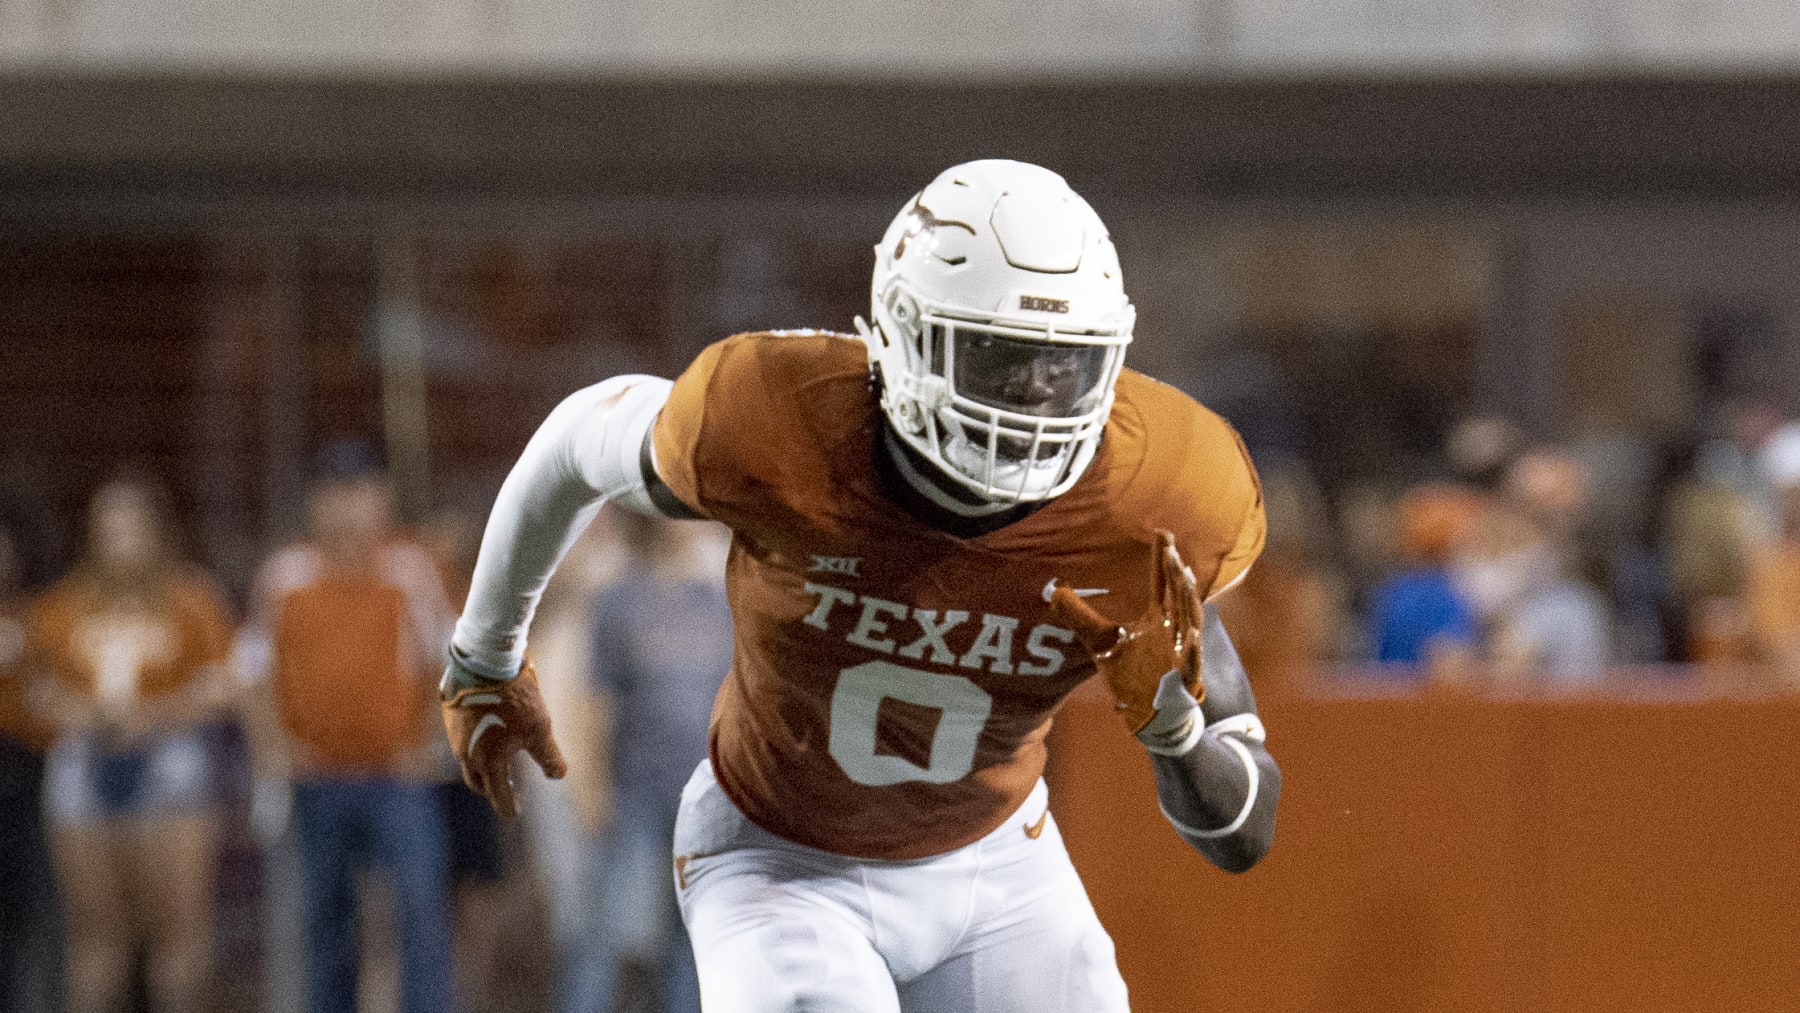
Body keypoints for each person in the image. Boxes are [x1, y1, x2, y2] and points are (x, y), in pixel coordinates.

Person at [438, 160, 1281, 1011]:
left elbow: (1245, 837)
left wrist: (1174, 736)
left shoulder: (1153, 497)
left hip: (997, 861)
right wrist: (485, 652)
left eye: (1063, 364)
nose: (1032, 398)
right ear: (905, 333)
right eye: (996, 355)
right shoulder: (783, 419)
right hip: (779, 857)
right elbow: (582, 437)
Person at [237, 444, 456, 1013]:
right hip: (317, 777)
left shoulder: (412, 570)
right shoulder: (286, 576)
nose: (348, 508)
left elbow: (450, 661)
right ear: (314, 503)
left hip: (396, 779)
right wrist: (273, 748)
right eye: (335, 493)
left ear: (382, 499)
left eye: (360, 492)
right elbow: (251, 673)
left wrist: (427, 742)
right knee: (325, 924)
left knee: (419, 913)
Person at [25, 474, 236, 1013]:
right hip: (86, 758)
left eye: (131, 526)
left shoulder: (191, 599)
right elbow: (34, 686)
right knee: (97, 938)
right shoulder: (65, 604)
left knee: (179, 934)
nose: (119, 539)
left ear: (157, 533)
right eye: (108, 527)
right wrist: (82, 713)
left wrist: (152, 716)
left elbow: (220, 685)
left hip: (169, 758)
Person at [561, 512, 730, 1013]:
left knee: (693, 948)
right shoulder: (617, 599)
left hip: (705, 804)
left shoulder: (725, 601)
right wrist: (591, 794)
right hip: (631, 796)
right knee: (600, 938)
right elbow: (594, 706)